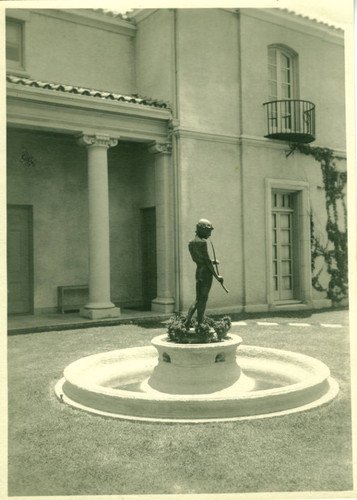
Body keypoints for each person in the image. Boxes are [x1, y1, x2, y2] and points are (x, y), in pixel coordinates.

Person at [184, 219, 224, 329]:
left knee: (198, 299)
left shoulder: (191, 242)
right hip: (206, 273)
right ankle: (199, 322)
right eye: (208, 232)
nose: (210, 234)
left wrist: (212, 261)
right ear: (202, 230)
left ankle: (189, 321)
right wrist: (217, 277)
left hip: (199, 271)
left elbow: (199, 259)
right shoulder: (202, 243)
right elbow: (206, 262)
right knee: (203, 299)